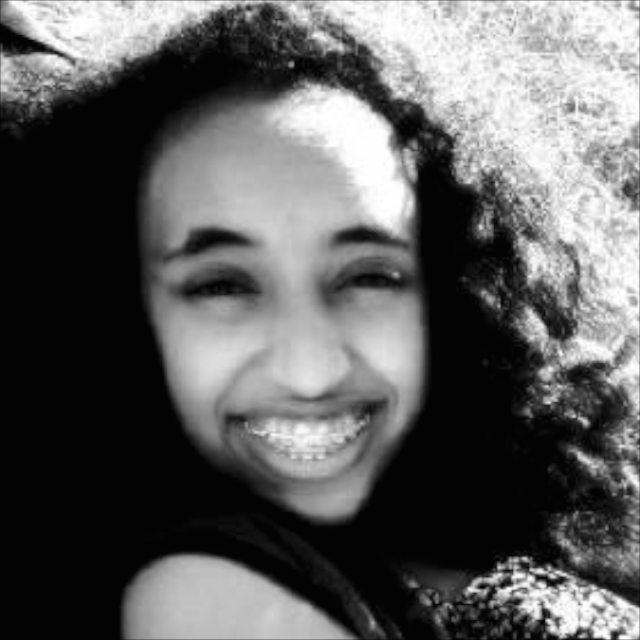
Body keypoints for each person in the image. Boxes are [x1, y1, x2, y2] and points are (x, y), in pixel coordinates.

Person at [6, 2, 638, 638]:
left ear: (455, 295)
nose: (308, 362)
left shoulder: (513, 549)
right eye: (223, 286)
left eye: (366, 277)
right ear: (118, 313)